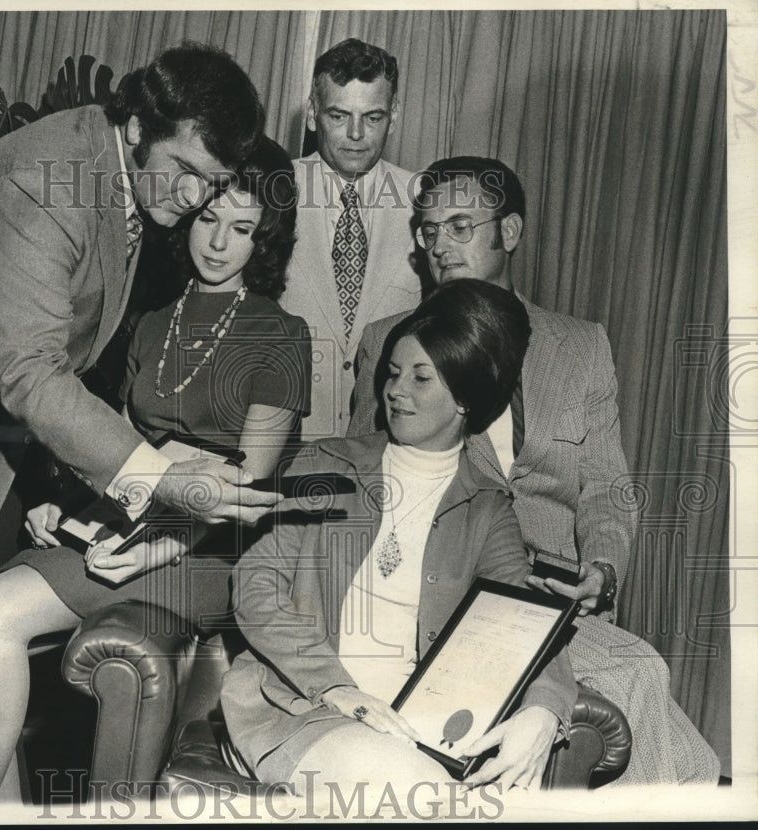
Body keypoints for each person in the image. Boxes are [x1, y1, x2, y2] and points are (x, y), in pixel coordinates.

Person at [0, 137, 312, 804]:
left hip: (204, 550)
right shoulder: (151, 322)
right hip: (128, 519)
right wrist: (64, 503)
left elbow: (246, 489)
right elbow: (119, 448)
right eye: (208, 220)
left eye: (243, 228)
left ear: (267, 239)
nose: (219, 244)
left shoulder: (281, 334)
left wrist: (149, 553)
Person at [0, 43, 278, 681]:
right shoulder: (45, 181)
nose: (191, 197)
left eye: (213, 183)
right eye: (183, 168)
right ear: (136, 127)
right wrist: (158, 479)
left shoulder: (119, 169)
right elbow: (33, 371)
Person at [349, 156, 719, 784]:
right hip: (444, 585)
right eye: (428, 229)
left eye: (461, 226)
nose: (440, 245)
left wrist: (599, 571)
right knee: (645, 685)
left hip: (555, 597)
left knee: (652, 692)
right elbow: (362, 481)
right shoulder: (391, 340)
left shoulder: (581, 346)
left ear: (510, 233)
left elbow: (607, 484)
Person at [222, 279, 576, 800]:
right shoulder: (326, 463)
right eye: (392, 373)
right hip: (302, 710)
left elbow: (526, 619)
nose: (395, 390)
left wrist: (545, 709)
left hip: (420, 734)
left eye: (420, 377)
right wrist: (338, 687)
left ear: (464, 398)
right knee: (426, 797)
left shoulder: (488, 509)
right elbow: (255, 585)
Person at [278, 38, 421, 441]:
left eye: (372, 117)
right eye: (339, 116)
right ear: (311, 114)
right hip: (282, 446)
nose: (356, 134)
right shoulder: (268, 192)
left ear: (394, 115)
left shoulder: (426, 202)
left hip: (385, 447)